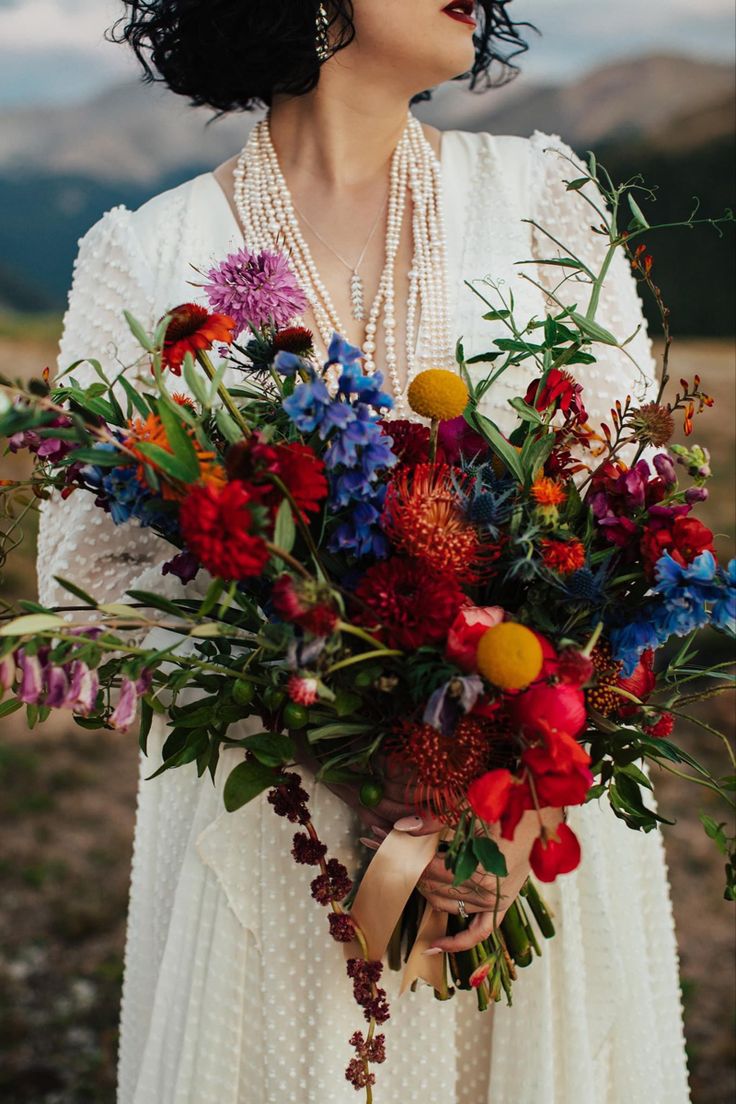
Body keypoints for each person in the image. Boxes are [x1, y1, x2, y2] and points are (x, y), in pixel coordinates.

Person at [36, 2, 691, 1101]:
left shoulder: (542, 202)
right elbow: (93, 577)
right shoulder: (147, 254)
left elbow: (631, 514)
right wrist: (356, 748)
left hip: (528, 825)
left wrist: (509, 799)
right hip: (274, 836)